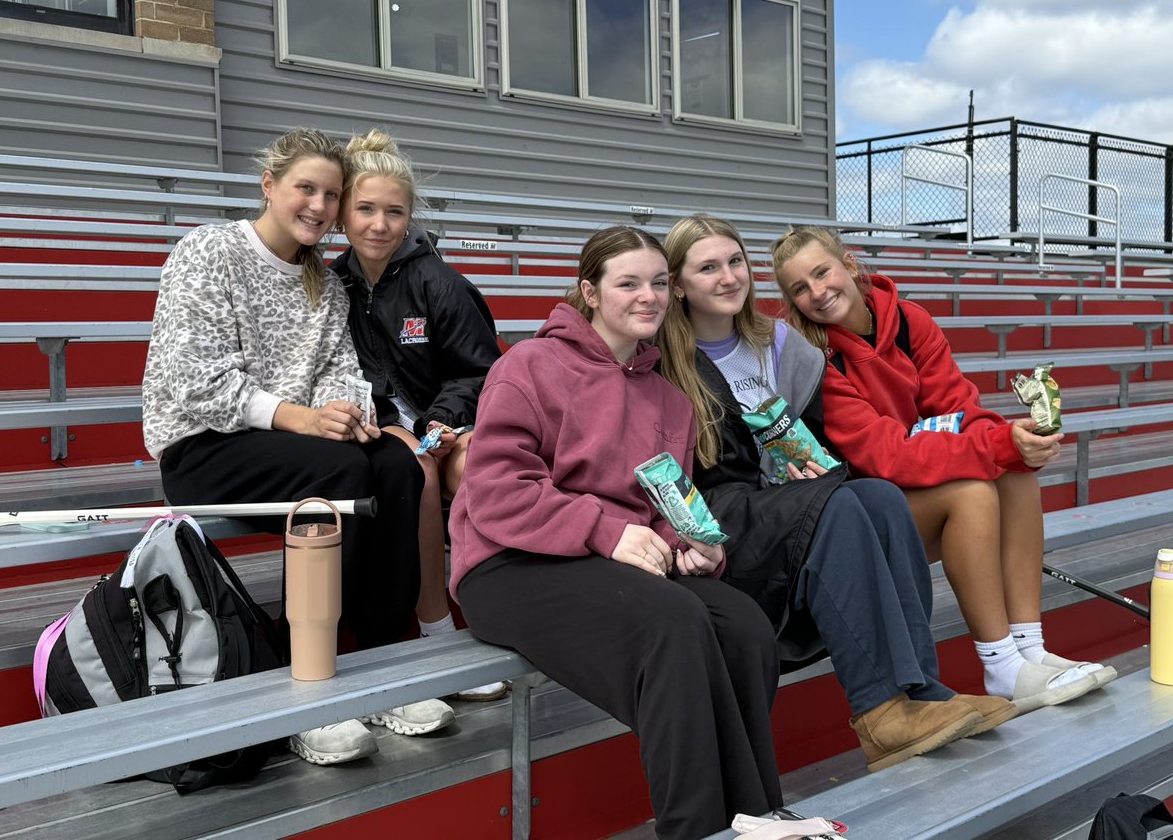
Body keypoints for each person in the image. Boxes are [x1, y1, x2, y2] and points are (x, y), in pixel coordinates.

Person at [449, 226, 781, 839]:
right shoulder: (529, 365)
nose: (647, 296)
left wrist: (688, 544)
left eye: (659, 282)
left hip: (611, 562)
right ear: (590, 292)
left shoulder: (670, 399)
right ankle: (695, 828)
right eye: (628, 283)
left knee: (744, 627)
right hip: (509, 563)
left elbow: (663, 505)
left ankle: (752, 817)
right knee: (672, 621)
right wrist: (603, 531)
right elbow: (496, 492)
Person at [658, 213, 1013, 773]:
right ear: (677, 285)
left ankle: (922, 690)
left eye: (735, 261)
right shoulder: (662, 357)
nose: (728, 277)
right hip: (717, 513)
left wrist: (806, 465)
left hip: (780, 499)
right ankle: (879, 711)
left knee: (881, 498)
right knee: (843, 503)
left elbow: (816, 440)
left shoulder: (778, 343)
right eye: (707, 268)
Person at [142, 127, 442, 767]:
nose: (319, 206)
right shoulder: (209, 251)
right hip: (206, 447)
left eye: (331, 195)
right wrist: (302, 419)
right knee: (338, 471)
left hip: (298, 444)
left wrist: (344, 412)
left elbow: (339, 371)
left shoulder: (325, 286)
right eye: (306, 188)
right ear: (269, 184)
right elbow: (193, 381)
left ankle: (381, 659)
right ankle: (307, 687)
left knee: (396, 462)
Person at [772, 225, 1112, 710]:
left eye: (822, 273)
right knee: (973, 492)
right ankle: (1001, 666)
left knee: (1015, 475)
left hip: (912, 489)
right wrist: (994, 446)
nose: (818, 292)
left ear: (848, 263)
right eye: (800, 289)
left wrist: (1009, 441)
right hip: (865, 518)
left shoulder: (910, 321)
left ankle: (1030, 650)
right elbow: (886, 456)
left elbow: (958, 408)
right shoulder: (816, 360)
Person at [331, 128, 506, 704]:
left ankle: (507, 612)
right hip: (379, 427)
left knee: (484, 466)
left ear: (410, 217)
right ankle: (436, 627)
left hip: (449, 423)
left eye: (395, 212)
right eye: (365, 209)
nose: (379, 224)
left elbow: (481, 371)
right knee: (419, 471)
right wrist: (387, 423)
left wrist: (442, 420)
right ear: (343, 213)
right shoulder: (333, 284)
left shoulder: (441, 283)